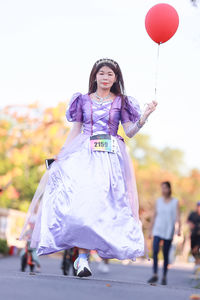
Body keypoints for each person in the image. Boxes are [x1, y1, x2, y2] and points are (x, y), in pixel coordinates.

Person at [20, 58, 157, 278]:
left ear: (116, 78)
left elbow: (129, 132)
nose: (105, 77)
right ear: (94, 76)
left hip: (110, 161)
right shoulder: (82, 100)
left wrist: (144, 117)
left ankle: (94, 253)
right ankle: (82, 258)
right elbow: (75, 130)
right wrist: (61, 155)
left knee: (104, 208)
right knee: (82, 206)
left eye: (110, 74)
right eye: (101, 73)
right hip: (84, 157)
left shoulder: (121, 102)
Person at [148, 181, 181, 285]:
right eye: (162, 188)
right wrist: (150, 230)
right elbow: (154, 216)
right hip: (158, 229)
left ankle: (164, 276)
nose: (163, 190)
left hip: (168, 230)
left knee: (166, 253)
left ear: (169, 189)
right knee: (155, 250)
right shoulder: (158, 201)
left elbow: (178, 216)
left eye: (165, 188)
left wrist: (179, 228)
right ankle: (155, 274)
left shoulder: (175, 202)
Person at [187, 202, 200, 273]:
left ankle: (197, 267)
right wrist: (190, 224)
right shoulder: (193, 214)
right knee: (193, 251)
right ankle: (197, 264)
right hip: (193, 235)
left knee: (197, 249)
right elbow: (188, 221)